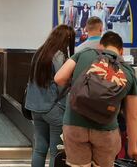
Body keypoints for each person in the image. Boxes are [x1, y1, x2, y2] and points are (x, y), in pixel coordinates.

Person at [54, 31, 137, 167]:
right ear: (121, 51)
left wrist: (77, 85)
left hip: (75, 124)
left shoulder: (85, 53)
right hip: (106, 129)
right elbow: (132, 116)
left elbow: (59, 78)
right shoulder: (128, 71)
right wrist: (133, 146)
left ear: (100, 45)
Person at [25, 24, 76, 167]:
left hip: (35, 108)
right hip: (53, 109)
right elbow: (61, 81)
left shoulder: (39, 53)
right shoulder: (59, 56)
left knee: (39, 149)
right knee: (56, 152)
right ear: (66, 40)